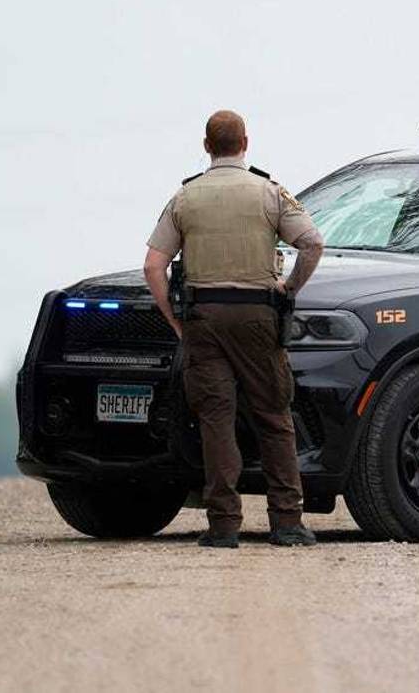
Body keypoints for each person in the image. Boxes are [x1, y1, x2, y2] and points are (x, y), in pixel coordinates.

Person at [142, 110, 325, 548]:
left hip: (203, 320)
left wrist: (175, 319)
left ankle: (223, 526)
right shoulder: (268, 192)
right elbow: (312, 243)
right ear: (245, 142)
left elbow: (153, 265)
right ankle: (286, 522)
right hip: (258, 317)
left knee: (215, 419)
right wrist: (288, 289)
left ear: (207, 146)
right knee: (273, 416)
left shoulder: (185, 198)